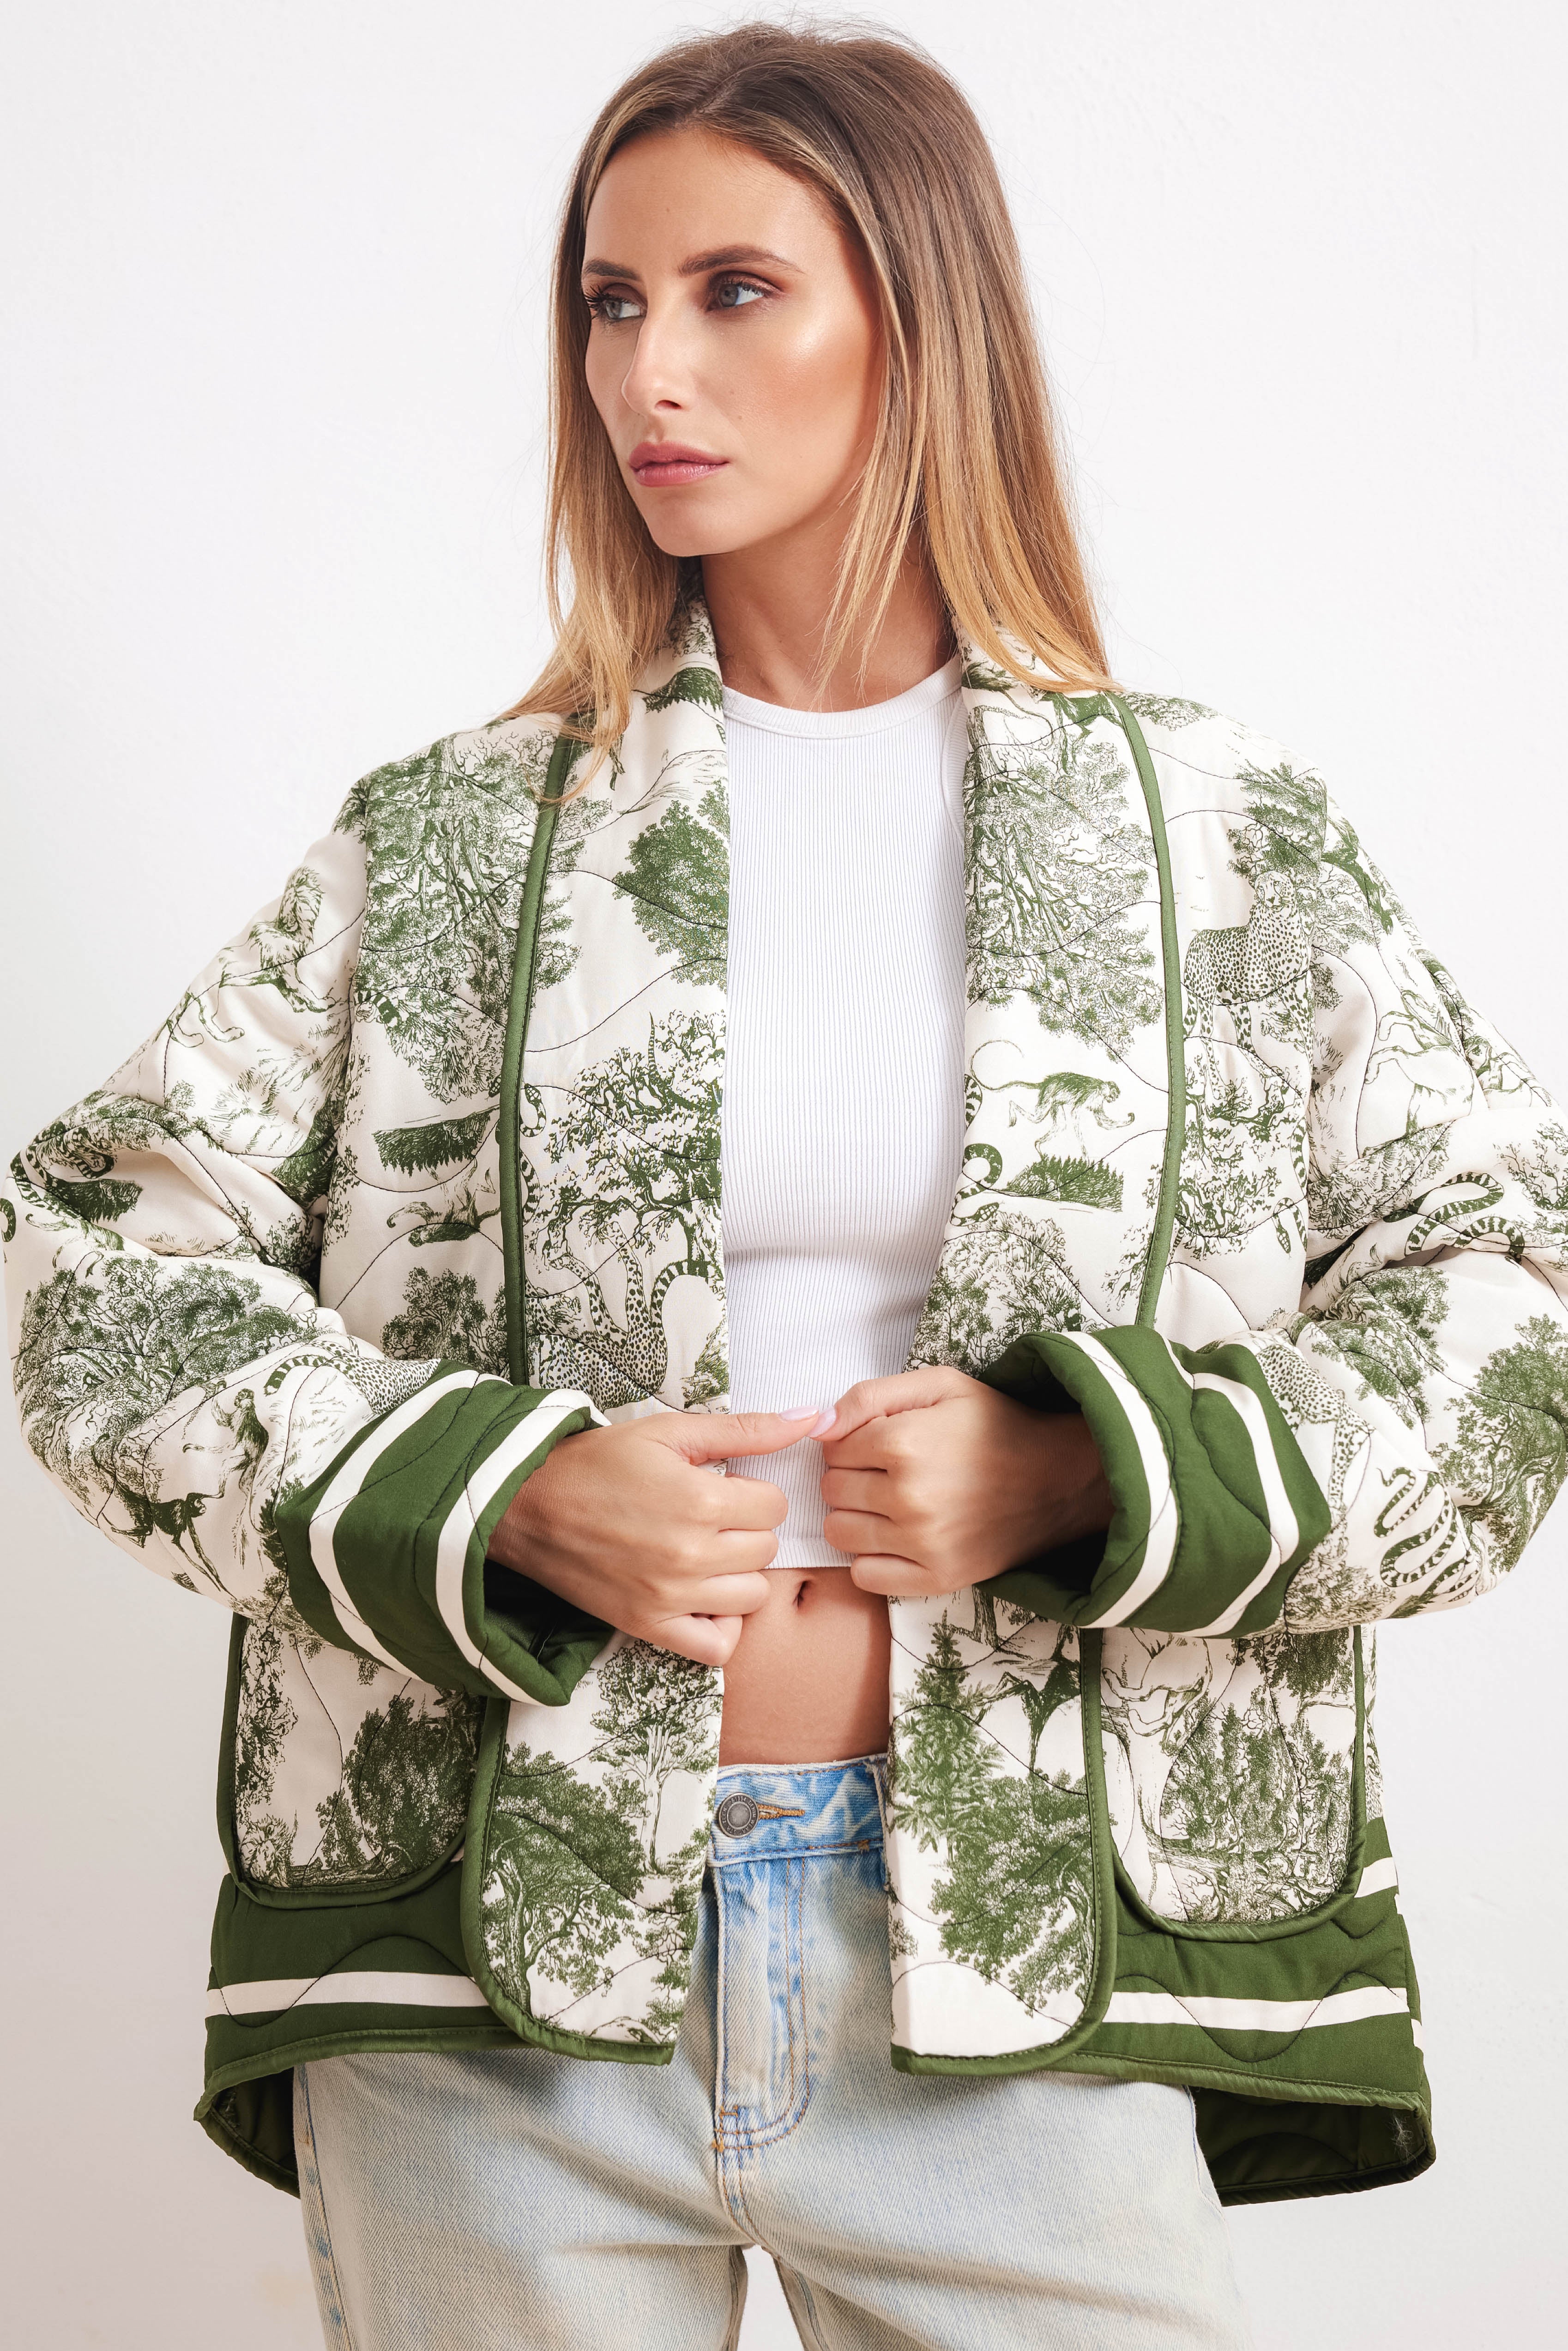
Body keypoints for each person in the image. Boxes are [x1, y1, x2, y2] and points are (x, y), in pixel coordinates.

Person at [7, 20, 1567, 2349]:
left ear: (917, 321)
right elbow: (89, 1269)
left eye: (737, 289)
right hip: (499, 1988)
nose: (649, 367)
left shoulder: (1217, 838)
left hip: (1021, 1972)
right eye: (610, 300)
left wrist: (1085, 1466)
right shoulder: (447, 843)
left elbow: (1511, 1299)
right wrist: (507, 1492)